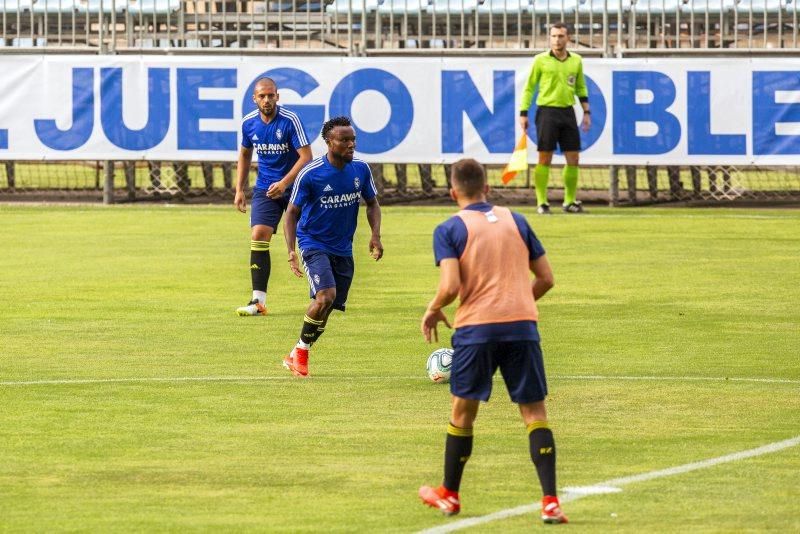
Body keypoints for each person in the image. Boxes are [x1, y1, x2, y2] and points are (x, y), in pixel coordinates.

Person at [418, 158, 567, 524]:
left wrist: (434, 308)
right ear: (487, 188)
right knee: (534, 414)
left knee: (463, 413)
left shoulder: (450, 228)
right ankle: (550, 501)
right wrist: (516, 301)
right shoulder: (517, 220)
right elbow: (546, 278)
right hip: (522, 327)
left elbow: (451, 286)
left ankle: (449, 495)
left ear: (453, 192)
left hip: (476, 330)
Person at [281, 116, 383, 377]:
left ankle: (297, 351)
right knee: (324, 296)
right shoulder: (311, 174)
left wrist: (375, 236)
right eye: (344, 140)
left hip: (343, 248)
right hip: (313, 243)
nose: (351, 145)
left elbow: (372, 203)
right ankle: (302, 354)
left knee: (329, 305)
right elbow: (291, 212)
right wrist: (291, 250)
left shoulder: (360, 169)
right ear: (329, 142)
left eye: (353, 140)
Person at [234, 77, 312, 316]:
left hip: (295, 187)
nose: (267, 100)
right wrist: (239, 189)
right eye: (262, 96)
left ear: (277, 96)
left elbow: (306, 156)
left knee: (308, 238)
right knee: (258, 234)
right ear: (254, 99)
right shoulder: (248, 123)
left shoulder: (290, 120)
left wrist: (284, 182)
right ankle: (258, 301)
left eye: (271, 95)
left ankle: (321, 293)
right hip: (266, 188)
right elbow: (245, 154)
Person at [520, 21, 591, 215]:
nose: (557, 40)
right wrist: (523, 112)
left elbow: (580, 87)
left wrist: (586, 111)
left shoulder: (576, 60)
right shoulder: (540, 60)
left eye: (560, 36)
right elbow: (529, 87)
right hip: (547, 112)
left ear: (568, 38)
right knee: (545, 157)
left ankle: (569, 201)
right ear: (549, 38)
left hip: (568, 111)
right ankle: (542, 202)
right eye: (553, 36)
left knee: (573, 157)